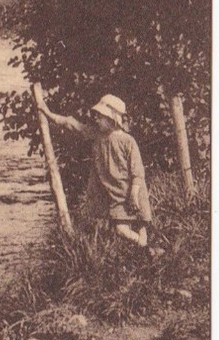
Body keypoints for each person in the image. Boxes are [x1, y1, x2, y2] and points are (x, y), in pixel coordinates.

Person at [38, 92, 152, 247]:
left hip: (132, 190)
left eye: (99, 116)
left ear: (112, 118)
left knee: (138, 222)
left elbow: (137, 171)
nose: (95, 119)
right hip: (115, 192)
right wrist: (49, 114)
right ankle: (144, 246)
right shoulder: (97, 135)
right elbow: (73, 124)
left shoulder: (128, 141)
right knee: (120, 228)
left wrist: (134, 192)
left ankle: (145, 246)